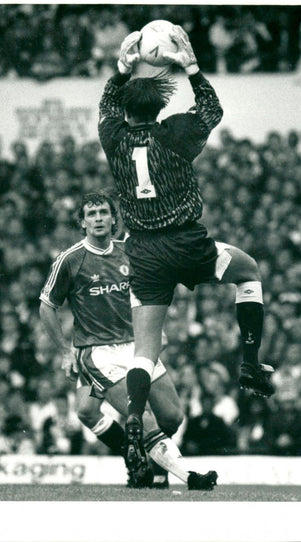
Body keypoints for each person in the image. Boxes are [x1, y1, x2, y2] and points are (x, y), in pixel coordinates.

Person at [97, 25, 274, 480]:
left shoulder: (113, 138)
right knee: (248, 271)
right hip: (186, 241)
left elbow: (105, 108)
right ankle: (251, 363)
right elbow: (212, 110)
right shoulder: (174, 133)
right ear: (159, 105)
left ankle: (135, 416)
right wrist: (192, 68)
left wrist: (120, 72)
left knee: (144, 350)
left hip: (144, 252)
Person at [39, 192, 217, 490]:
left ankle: (145, 466)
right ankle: (190, 477)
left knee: (172, 417)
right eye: (91, 214)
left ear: (113, 219)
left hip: (137, 346)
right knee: (141, 416)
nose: (98, 219)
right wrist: (65, 352)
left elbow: (151, 288)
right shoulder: (70, 260)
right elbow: (47, 306)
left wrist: (154, 327)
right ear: (82, 223)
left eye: (103, 213)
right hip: (98, 352)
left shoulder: (130, 251)